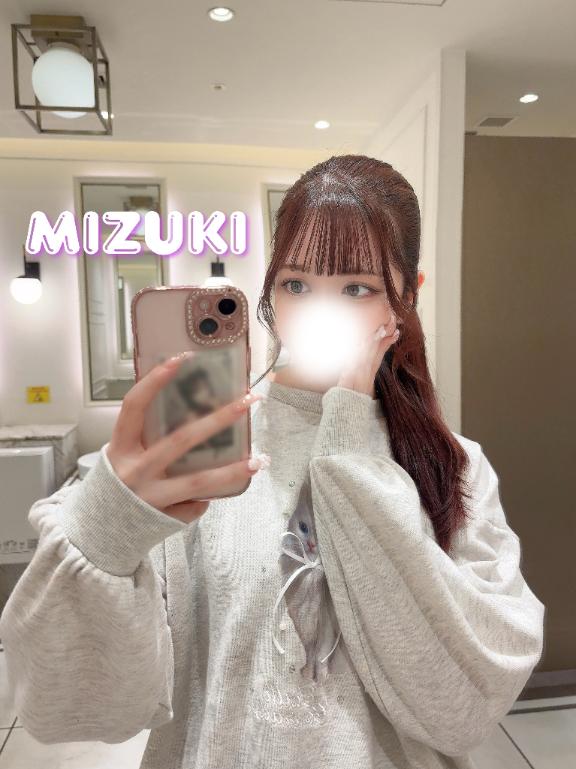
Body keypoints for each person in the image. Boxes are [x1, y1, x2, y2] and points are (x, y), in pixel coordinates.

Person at [0, 155, 545, 769]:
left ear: (406, 297)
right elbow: (70, 707)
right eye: (297, 285)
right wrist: (110, 523)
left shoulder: (454, 465)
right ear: (270, 291)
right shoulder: (195, 451)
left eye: (357, 288)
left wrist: (349, 447)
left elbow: (462, 708)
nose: (318, 312)